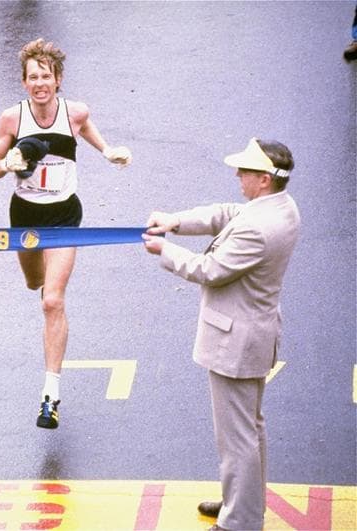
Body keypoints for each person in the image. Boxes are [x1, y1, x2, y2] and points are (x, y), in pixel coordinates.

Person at [142, 138, 301, 530]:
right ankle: (242, 502)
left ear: (264, 180)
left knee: (237, 438)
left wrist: (165, 249)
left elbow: (208, 270)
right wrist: (176, 221)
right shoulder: (281, 206)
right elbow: (227, 213)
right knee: (250, 429)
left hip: (236, 341)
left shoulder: (258, 229)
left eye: (245, 172)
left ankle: (240, 521)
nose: (237, 175)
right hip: (256, 334)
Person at [0, 38, 131, 429]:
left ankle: (49, 396)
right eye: (32, 77)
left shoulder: (75, 113)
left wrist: (109, 152)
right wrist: (7, 163)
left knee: (52, 301)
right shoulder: (11, 119)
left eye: (45, 76)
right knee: (34, 282)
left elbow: (91, 134)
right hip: (25, 217)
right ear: (23, 83)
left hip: (64, 216)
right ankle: (38, 276)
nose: (39, 83)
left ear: (58, 79)